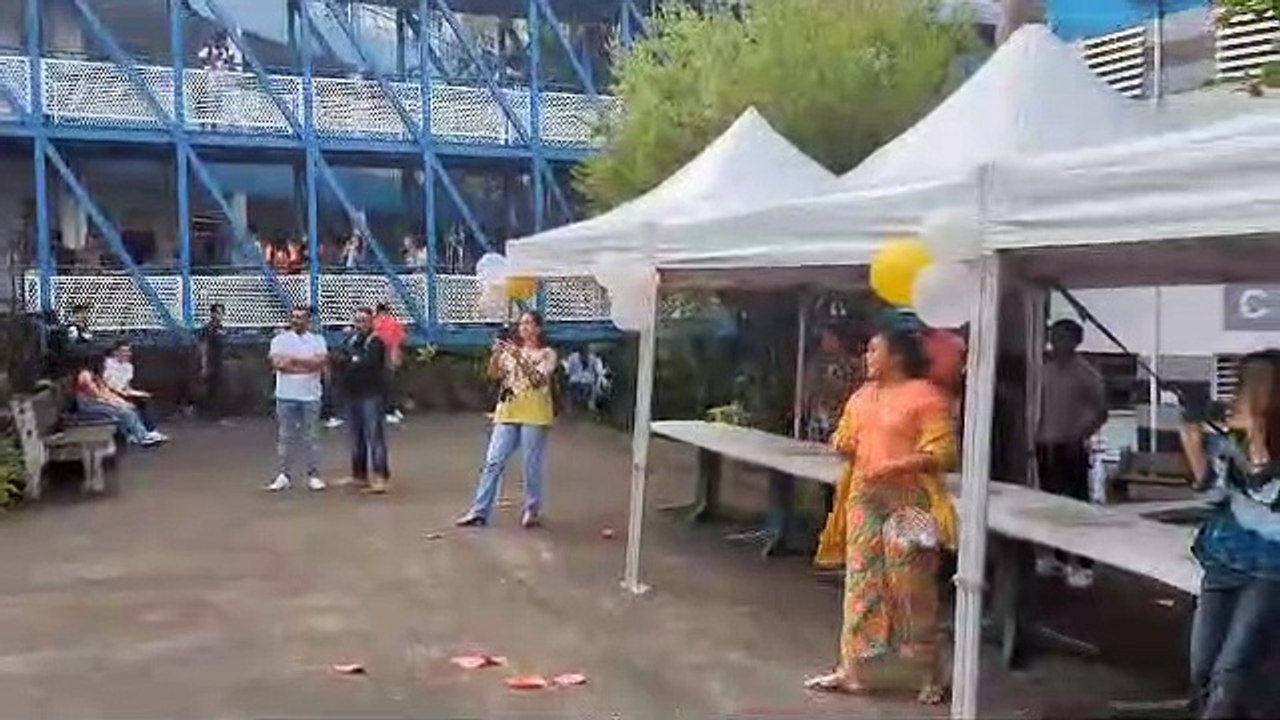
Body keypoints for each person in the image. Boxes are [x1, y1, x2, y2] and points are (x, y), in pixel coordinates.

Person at [806, 327, 957, 704]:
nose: (867, 357)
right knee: (860, 582)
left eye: (875, 350)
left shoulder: (926, 396)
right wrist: (842, 443)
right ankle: (851, 670)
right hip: (864, 497)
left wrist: (895, 465)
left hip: (910, 501)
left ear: (898, 357)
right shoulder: (862, 396)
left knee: (911, 586)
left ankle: (930, 672)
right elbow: (844, 436)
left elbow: (943, 453)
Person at [1179, 350, 1280, 719]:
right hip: (1223, 558)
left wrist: (1256, 437)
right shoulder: (1233, 440)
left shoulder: (1252, 439)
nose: (1235, 397)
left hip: (1271, 568)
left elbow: (1268, 492)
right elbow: (1213, 492)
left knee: (1230, 672)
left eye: (1245, 388)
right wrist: (1191, 439)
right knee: (1202, 667)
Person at [456, 311, 558, 528]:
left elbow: (538, 380)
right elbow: (493, 374)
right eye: (521, 324)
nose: (524, 327)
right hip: (507, 411)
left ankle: (532, 508)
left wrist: (519, 356)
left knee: (530, 465)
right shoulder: (511, 351)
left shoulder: (547, 354)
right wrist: (496, 354)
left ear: (538, 328)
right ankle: (479, 510)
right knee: (493, 461)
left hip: (534, 414)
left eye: (529, 323)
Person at [1036, 318, 1108, 588]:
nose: (1057, 343)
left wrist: (1080, 434)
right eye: (1054, 337)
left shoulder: (1085, 374)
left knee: (1077, 506)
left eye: (1063, 338)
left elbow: (1101, 411)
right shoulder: (1043, 370)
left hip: (1072, 446)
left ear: (1076, 341)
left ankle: (1084, 564)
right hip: (1045, 446)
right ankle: (1058, 558)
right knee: (1049, 505)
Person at [267, 306, 328, 492]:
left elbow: (319, 363)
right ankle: (283, 475)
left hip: (311, 395)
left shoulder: (317, 340)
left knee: (311, 436)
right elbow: (279, 364)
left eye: (301, 317)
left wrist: (293, 361)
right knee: (285, 436)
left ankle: (313, 475)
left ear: (308, 321)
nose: (296, 321)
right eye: (294, 317)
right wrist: (305, 364)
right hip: (285, 395)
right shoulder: (279, 340)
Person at [336, 307, 391, 494]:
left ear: (371, 322)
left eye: (364, 321)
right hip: (352, 394)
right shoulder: (350, 340)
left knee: (374, 436)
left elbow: (368, 365)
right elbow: (339, 360)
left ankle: (381, 476)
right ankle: (359, 475)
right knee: (355, 437)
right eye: (357, 321)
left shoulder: (375, 342)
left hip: (371, 394)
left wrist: (352, 361)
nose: (360, 325)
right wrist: (351, 361)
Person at [74, 352, 167, 447]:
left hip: (98, 402)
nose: (105, 365)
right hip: (89, 405)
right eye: (103, 363)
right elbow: (97, 395)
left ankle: (136, 434)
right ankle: (142, 437)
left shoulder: (96, 376)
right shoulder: (85, 375)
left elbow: (106, 392)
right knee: (124, 412)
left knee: (129, 408)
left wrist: (120, 401)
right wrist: (115, 404)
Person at [803, 326, 862, 442]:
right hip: (819, 416)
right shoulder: (815, 364)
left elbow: (855, 389)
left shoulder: (852, 365)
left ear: (839, 341)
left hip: (841, 417)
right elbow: (808, 388)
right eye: (824, 339)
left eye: (830, 339)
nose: (825, 343)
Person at [102, 341, 156, 431]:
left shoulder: (129, 367)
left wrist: (138, 393)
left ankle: (150, 430)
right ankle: (140, 432)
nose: (127, 354)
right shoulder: (107, 364)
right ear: (115, 352)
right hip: (109, 393)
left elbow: (126, 385)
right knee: (129, 406)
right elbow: (106, 384)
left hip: (123, 392)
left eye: (128, 351)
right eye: (123, 351)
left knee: (144, 401)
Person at [373, 303, 406, 425]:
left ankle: (389, 410)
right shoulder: (394, 323)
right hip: (389, 354)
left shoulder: (375, 323)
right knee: (390, 383)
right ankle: (390, 409)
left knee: (386, 384)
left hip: (382, 354)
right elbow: (401, 339)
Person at [199, 303, 228, 421]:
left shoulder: (220, 327)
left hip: (219, 361)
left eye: (221, 313)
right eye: (217, 313)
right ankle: (210, 415)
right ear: (212, 314)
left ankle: (215, 415)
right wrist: (204, 363)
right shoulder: (208, 328)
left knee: (218, 387)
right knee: (212, 387)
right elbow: (204, 346)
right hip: (211, 361)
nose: (220, 315)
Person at [563, 345, 607, 415]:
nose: (585, 353)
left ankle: (589, 405)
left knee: (590, 389)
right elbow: (568, 370)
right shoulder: (572, 357)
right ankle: (570, 409)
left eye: (586, 351)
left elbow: (597, 371)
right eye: (583, 351)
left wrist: (597, 379)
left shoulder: (593, 358)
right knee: (571, 390)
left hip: (588, 381)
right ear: (579, 351)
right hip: (575, 380)